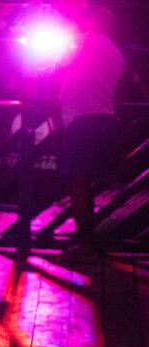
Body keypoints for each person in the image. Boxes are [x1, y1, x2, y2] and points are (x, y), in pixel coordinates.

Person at [58, 6, 125, 263]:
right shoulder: (117, 54)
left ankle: (86, 246)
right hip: (106, 119)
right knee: (92, 186)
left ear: (92, 23)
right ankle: (93, 243)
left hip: (81, 121)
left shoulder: (81, 42)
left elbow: (56, 65)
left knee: (79, 185)